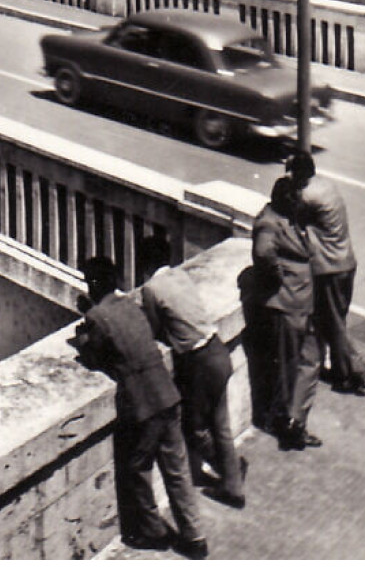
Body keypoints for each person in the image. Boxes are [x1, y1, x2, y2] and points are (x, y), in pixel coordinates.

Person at [71, 256, 208, 559]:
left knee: (137, 468)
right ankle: (195, 536)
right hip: (167, 395)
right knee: (177, 471)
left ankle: (153, 532)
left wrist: (84, 331)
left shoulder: (98, 316)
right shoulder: (132, 306)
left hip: (142, 405)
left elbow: (93, 355)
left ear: (94, 285)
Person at [137, 236, 246, 509]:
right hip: (217, 350)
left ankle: (227, 471)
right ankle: (233, 478)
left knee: (195, 428)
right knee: (220, 425)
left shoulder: (151, 289)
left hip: (199, 362)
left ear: (146, 264)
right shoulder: (181, 276)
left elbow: (153, 329)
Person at [252, 170, 323, 451]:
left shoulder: (287, 218)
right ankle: (288, 425)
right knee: (289, 368)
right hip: (287, 306)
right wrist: (279, 279)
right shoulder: (269, 223)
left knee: (308, 361)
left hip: (301, 304)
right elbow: (263, 254)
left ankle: (294, 420)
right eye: (295, 199)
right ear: (284, 199)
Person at [288, 151, 365, 396]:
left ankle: (353, 374)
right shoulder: (326, 185)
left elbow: (292, 217)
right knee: (337, 320)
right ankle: (342, 372)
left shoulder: (306, 195)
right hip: (346, 262)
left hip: (329, 267)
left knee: (332, 323)